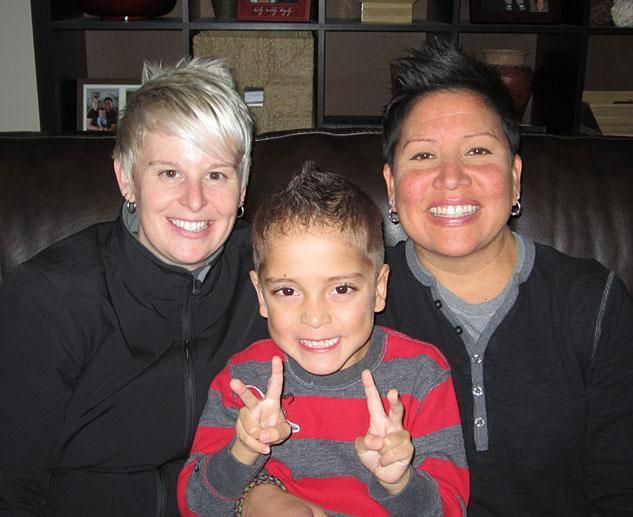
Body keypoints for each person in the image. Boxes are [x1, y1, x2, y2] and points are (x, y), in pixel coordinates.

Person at [0, 57, 268, 516]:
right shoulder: (49, 300)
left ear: (242, 188)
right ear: (127, 178)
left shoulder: (272, 274)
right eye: (169, 173)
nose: (195, 201)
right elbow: (11, 490)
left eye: (216, 175)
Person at [377, 38, 633, 515]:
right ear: (391, 185)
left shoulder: (592, 303)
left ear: (515, 176)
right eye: (424, 156)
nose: (451, 178)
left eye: (477, 150)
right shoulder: (350, 304)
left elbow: (620, 488)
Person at [177, 164, 469, 516]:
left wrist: (399, 483)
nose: (314, 317)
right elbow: (195, 505)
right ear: (261, 295)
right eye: (287, 291)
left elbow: (451, 509)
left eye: (341, 289)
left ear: (378, 289)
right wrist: (244, 449)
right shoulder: (243, 380)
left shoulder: (422, 375)